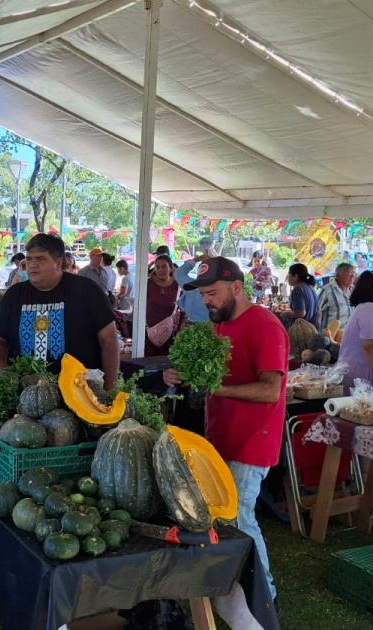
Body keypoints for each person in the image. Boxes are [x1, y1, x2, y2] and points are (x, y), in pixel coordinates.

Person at [162, 257, 289, 600]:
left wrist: (218, 389)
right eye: (203, 295)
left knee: (240, 519)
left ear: (236, 287)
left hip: (251, 442)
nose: (207, 301)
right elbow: (206, 373)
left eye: (213, 293)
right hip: (222, 437)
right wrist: (177, 375)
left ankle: (265, 598)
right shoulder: (220, 323)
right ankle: (228, 587)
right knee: (223, 517)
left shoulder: (265, 325)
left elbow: (272, 390)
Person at [0, 233, 120, 390]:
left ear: (58, 263)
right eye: (29, 259)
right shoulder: (14, 295)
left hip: (81, 391)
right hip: (24, 393)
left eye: (40, 259)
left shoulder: (87, 290)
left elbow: (109, 340)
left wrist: (110, 390)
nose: (32, 265)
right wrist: (3, 374)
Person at [142, 255, 183, 356]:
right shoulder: (147, 284)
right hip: (148, 334)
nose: (160, 270)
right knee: (146, 363)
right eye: (157, 267)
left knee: (165, 362)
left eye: (164, 266)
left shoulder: (178, 286)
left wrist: (180, 330)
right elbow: (139, 307)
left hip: (169, 335)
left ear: (171, 268)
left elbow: (183, 310)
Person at [175, 236, 215, 324]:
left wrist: (198, 259)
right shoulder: (193, 286)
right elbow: (179, 274)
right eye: (202, 268)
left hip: (211, 327)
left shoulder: (219, 289)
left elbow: (179, 274)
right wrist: (198, 259)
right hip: (192, 326)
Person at [317, 262, 355, 331]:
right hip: (330, 336)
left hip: (348, 335)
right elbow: (316, 312)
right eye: (349, 274)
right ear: (338, 275)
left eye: (353, 274)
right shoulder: (327, 290)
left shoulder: (353, 290)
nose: (352, 277)